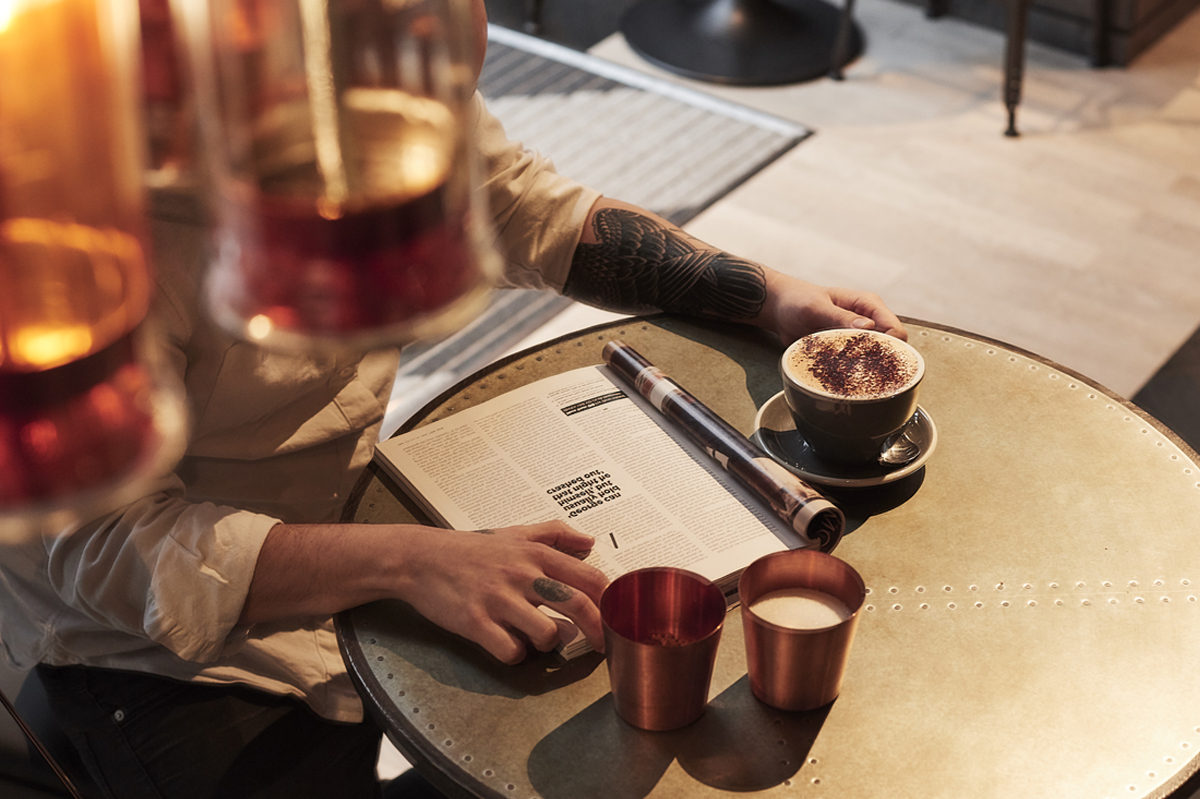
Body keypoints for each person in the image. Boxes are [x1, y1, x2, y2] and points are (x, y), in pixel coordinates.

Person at [0, 6, 907, 799]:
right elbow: (105, 549)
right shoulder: (67, 212)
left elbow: (517, 205)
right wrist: (410, 561)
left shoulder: (383, 65)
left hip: (346, 514)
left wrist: (763, 293)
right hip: (143, 651)